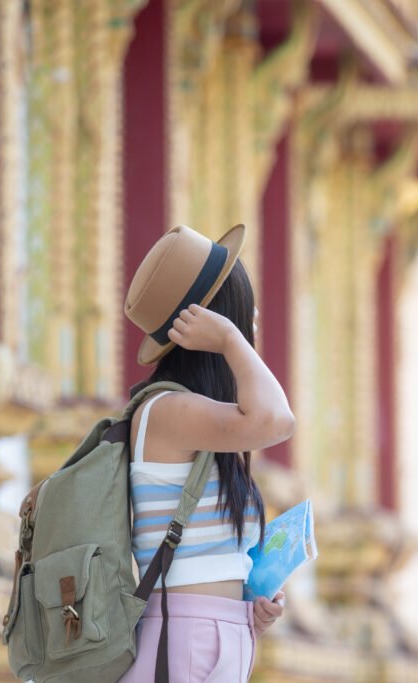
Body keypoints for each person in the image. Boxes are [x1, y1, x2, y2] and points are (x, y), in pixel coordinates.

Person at [119, 224, 294, 682]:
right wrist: (233, 341)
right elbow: (278, 420)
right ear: (212, 322)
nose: (254, 320)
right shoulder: (167, 409)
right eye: (243, 312)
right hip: (180, 638)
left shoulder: (206, 423)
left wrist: (250, 603)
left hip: (211, 637)